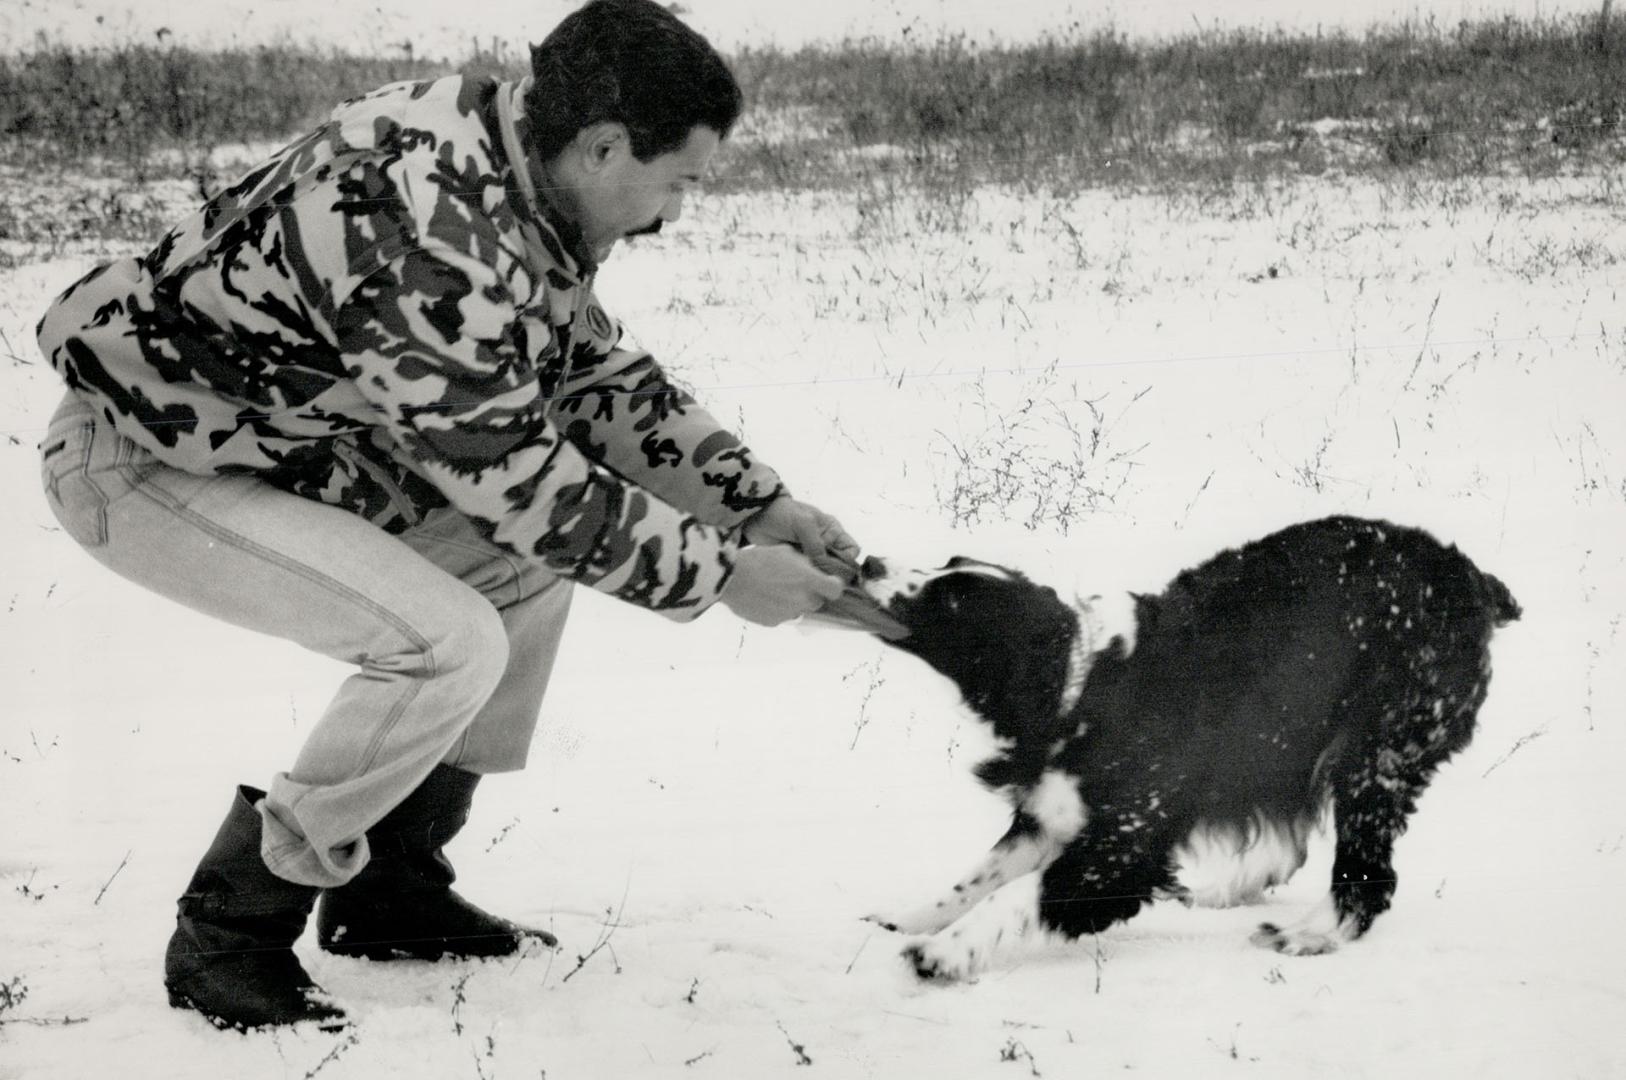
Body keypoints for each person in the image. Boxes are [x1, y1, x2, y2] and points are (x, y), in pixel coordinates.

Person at [35, 0, 857, 1032]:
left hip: (282, 449)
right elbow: (521, 478)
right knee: (443, 640)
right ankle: (232, 929)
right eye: (681, 179)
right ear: (605, 146)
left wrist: (758, 503)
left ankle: (390, 888)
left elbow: (591, 372)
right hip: (141, 466)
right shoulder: (423, 229)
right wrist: (726, 575)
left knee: (518, 581)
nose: (681, 209)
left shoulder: (512, 159)